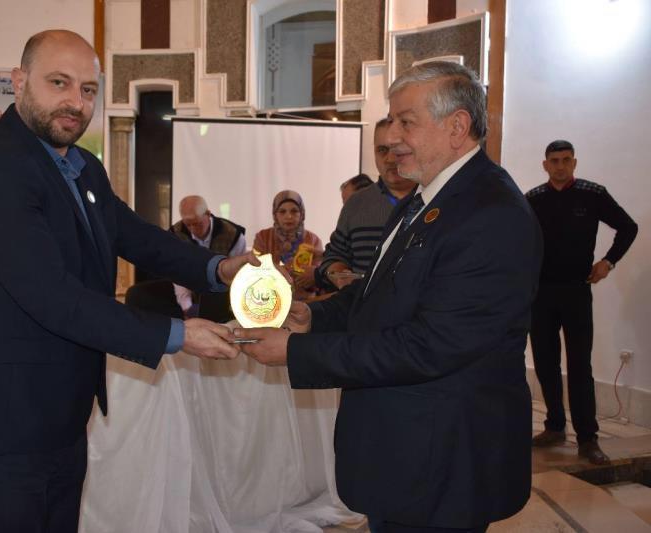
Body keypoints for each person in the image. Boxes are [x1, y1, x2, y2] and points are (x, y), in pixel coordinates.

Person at [0, 29, 257, 533]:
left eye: (87, 90)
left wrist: (217, 268)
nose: (76, 103)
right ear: (19, 82)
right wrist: (177, 334)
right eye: (58, 83)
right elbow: (55, 298)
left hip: (59, 419)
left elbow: (139, 238)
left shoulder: (81, 167)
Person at [236, 61, 542, 532]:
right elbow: (379, 291)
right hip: (406, 454)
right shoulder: (427, 199)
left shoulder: (490, 213)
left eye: (406, 121)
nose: (392, 136)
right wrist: (314, 318)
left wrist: (297, 352)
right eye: (392, 120)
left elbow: (431, 345)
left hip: (442, 464)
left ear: (457, 126)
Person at [526, 140, 638, 465]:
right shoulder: (533, 199)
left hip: (576, 290)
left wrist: (608, 262)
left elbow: (628, 227)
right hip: (541, 293)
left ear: (574, 163)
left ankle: (588, 438)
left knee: (579, 365)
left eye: (566, 160)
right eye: (554, 161)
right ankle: (554, 426)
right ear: (545, 165)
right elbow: (517, 240)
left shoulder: (593, 194)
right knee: (545, 363)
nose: (560, 166)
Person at [317, 118, 416, 290]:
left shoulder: (435, 198)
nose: (390, 159)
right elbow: (333, 256)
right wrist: (338, 273)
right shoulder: (355, 204)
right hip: (362, 305)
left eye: (397, 149)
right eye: (382, 150)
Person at [170, 195, 246, 317]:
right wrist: (187, 307)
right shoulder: (175, 235)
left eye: (197, 224)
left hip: (225, 298)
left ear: (208, 214)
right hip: (190, 295)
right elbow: (178, 274)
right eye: (188, 225)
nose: (193, 229)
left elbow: (238, 276)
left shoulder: (234, 235)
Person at [253, 190, 324, 301]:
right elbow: (255, 269)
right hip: (269, 300)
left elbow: (316, 279)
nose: (289, 216)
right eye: (282, 211)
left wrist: (311, 276)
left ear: (302, 214)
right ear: (275, 215)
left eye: (294, 211)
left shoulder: (313, 240)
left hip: (305, 303)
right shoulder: (263, 237)